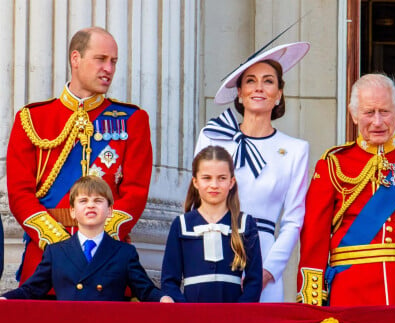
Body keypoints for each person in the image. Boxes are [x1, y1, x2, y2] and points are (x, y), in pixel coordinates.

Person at [7, 27, 153, 287]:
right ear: (76, 58)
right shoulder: (32, 119)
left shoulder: (132, 120)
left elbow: (136, 193)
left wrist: (97, 239)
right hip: (46, 262)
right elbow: (20, 195)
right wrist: (61, 246)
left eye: (113, 61)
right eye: (101, 59)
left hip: (107, 260)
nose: (109, 68)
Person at [297, 73, 395, 306]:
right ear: (354, 115)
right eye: (369, 112)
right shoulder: (333, 163)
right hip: (349, 295)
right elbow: (313, 238)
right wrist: (312, 302)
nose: (377, 122)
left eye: (385, 112)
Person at [195, 42, 310, 302]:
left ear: (279, 93)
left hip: (264, 252)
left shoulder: (295, 150)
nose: (259, 87)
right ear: (239, 92)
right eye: (250, 81)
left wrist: (267, 271)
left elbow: (293, 220)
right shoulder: (213, 137)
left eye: (268, 81)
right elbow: (195, 203)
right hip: (212, 248)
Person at [1, 176, 171, 302]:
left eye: (98, 200)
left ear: (110, 210)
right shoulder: (56, 252)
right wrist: (6, 299)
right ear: (73, 211)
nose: (91, 205)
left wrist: (163, 298)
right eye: (83, 200)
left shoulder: (124, 253)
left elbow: (145, 290)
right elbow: (31, 290)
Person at [161, 146, 262, 302]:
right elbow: (169, 281)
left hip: (234, 319)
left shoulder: (245, 224)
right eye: (206, 178)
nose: (214, 185)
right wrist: (185, 311)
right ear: (195, 181)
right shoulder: (181, 225)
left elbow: (254, 281)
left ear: (231, 182)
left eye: (222, 178)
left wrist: (239, 313)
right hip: (192, 318)